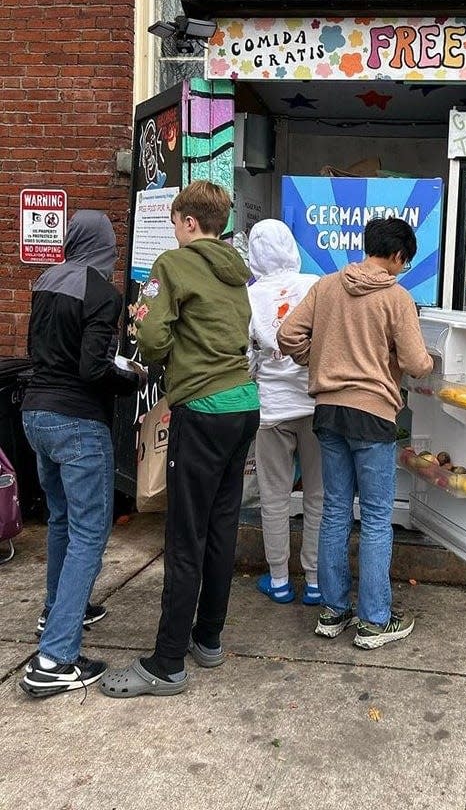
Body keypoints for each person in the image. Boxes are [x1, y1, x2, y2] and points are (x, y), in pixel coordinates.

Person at [100, 180, 259, 699]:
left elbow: (147, 335)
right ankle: (208, 637)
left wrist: (162, 358)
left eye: (174, 222)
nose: (173, 230)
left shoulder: (172, 264)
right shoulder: (237, 271)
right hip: (243, 406)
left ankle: (167, 663)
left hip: (203, 407)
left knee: (184, 535)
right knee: (221, 524)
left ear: (189, 222)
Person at [277, 217, 433, 650]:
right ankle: (375, 620)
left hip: (328, 412)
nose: (401, 269)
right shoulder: (396, 297)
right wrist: (429, 365)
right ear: (398, 256)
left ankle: (333, 611)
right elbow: (417, 362)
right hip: (373, 415)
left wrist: (320, 360)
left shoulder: (326, 286)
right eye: (404, 262)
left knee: (334, 511)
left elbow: (287, 335)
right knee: (378, 518)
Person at [20, 210, 145, 698]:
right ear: (106, 244)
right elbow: (94, 368)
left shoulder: (45, 280)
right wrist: (131, 376)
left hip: (36, 415)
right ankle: (54, 659)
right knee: (90, 533)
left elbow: (44, 350)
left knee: (61, 522)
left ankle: (58, 610)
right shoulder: (103, 292)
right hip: (76, 422)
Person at [246, 219, 323, 606]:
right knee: (318, 497)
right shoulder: (315, 286)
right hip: (315, 405)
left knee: (274, 498)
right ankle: (314, 581)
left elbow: (246, 359)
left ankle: (278, 580)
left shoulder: (250, 295)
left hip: (271, 410)